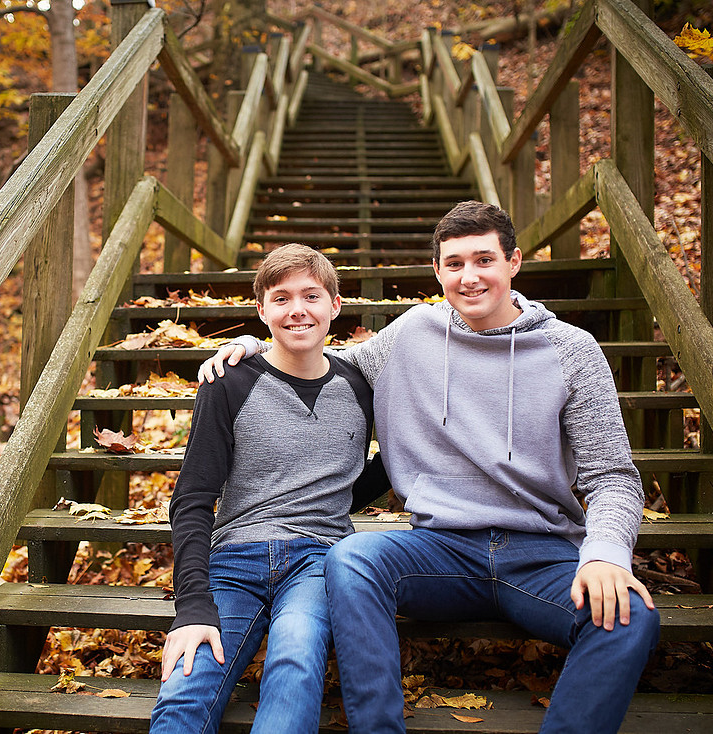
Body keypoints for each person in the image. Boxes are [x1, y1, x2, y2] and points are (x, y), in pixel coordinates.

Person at [200, 201, 660, 733]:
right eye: (455, 263)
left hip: (542, 553)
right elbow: (321, 361)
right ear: (437, 271)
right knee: (350, 559)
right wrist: (254, 346)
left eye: (484, 259)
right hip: (438, 549)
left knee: (631, 619)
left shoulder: (571, 350)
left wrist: (606, 554)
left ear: (513, 263)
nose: (470, 277)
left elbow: (613, 477)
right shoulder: (413, 331)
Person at [150, 244, 381, 733]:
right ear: (262, 311)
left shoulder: (360, 386)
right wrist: (192, 604)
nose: (297, 310)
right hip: (233, 559)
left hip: (318, 560)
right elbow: (192, 500)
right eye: (281, 298)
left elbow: (354, 481)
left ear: (335, 306)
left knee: (295, 663)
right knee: (185, 688)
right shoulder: (228, 380)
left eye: (311, 296)